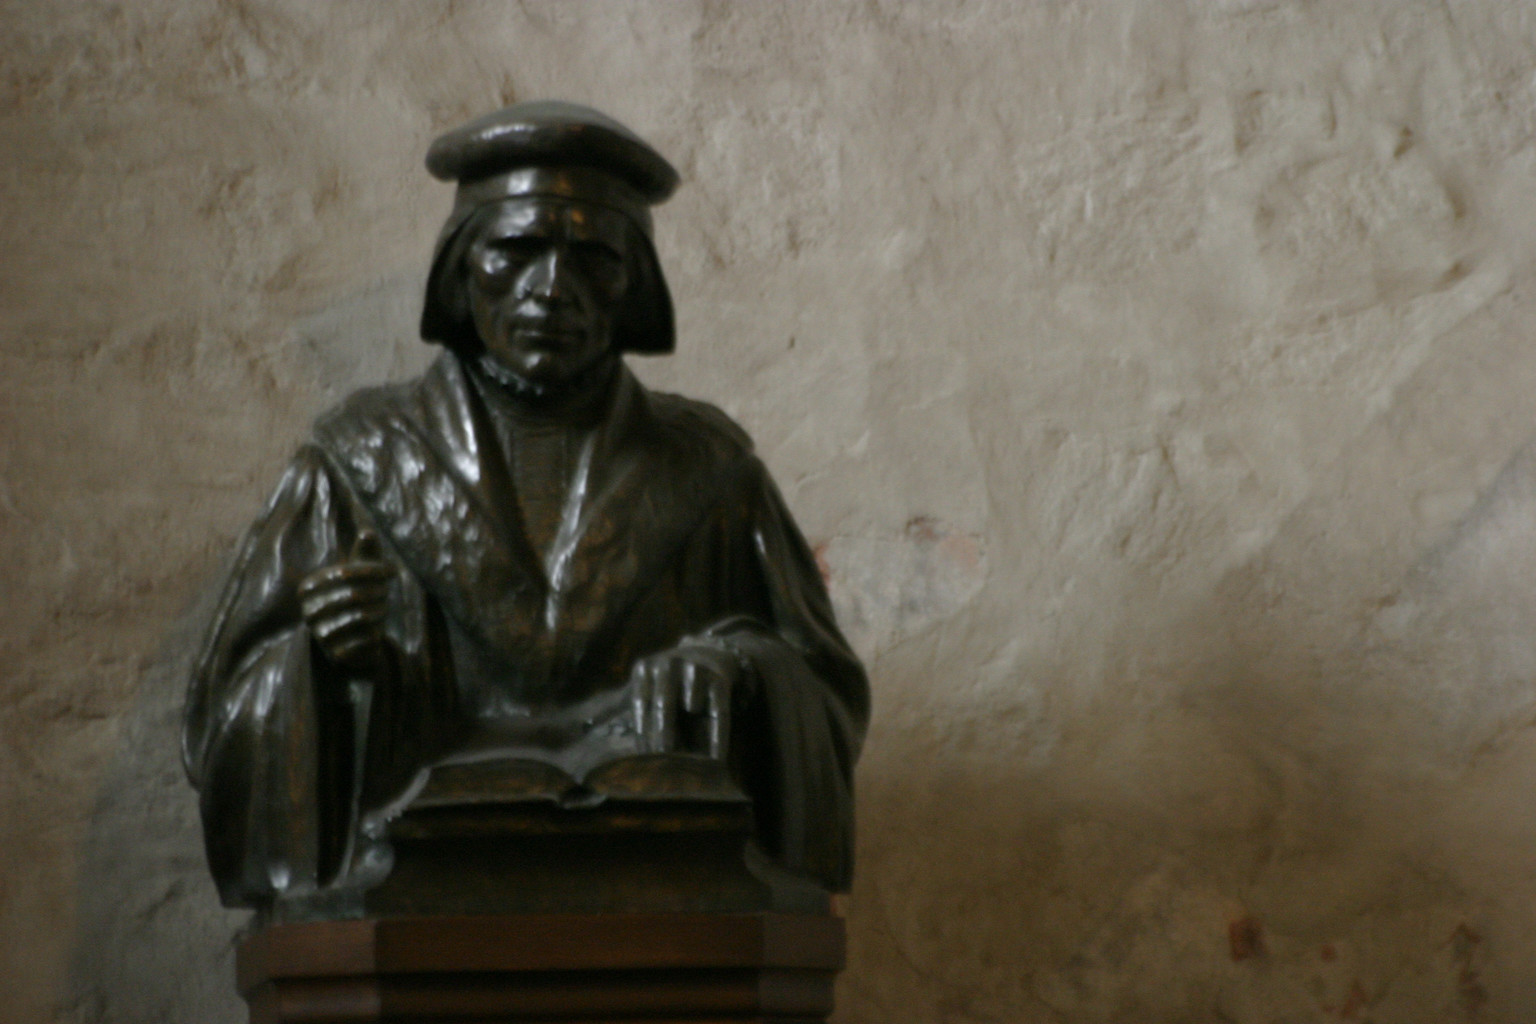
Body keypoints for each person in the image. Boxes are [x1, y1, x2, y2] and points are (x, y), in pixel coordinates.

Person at [181, 102, 869, 913]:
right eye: (515, 250)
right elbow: (223, 715)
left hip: (659, 888)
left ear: (635, 285)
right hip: (412, 886)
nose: (551, 289)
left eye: (594, 258)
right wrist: (327, 667)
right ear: (460, 268)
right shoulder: (358, 462)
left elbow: (825, 694)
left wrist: (739, 669)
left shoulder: (711, 472)